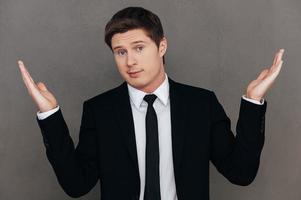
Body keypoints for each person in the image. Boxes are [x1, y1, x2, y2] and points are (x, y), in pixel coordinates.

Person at [18, 6, 284, 200]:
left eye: (139, 48)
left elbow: (241, 172)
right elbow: (77, 185)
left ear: (162, 46)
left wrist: (253, 100)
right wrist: (49, 114)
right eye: (120, 52)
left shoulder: (201, 105)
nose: (130, 61)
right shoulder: (100, 111)